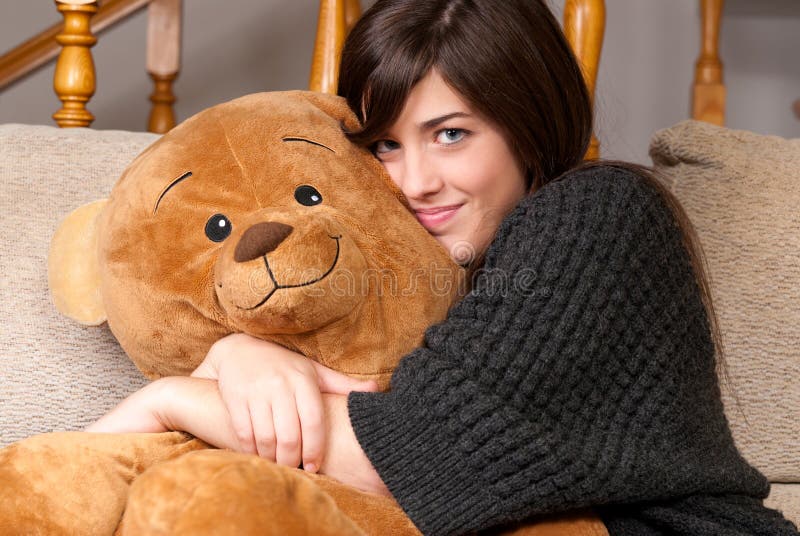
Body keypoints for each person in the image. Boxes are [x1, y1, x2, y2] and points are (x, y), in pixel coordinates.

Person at [88, 0, 799, 534]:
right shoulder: (404, 258)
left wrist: (169, 399)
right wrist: (238, 347)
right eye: (386, 145)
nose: (414, 180)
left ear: (528, 124)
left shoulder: (597, 215)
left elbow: (414, 459)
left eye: (451, 134)